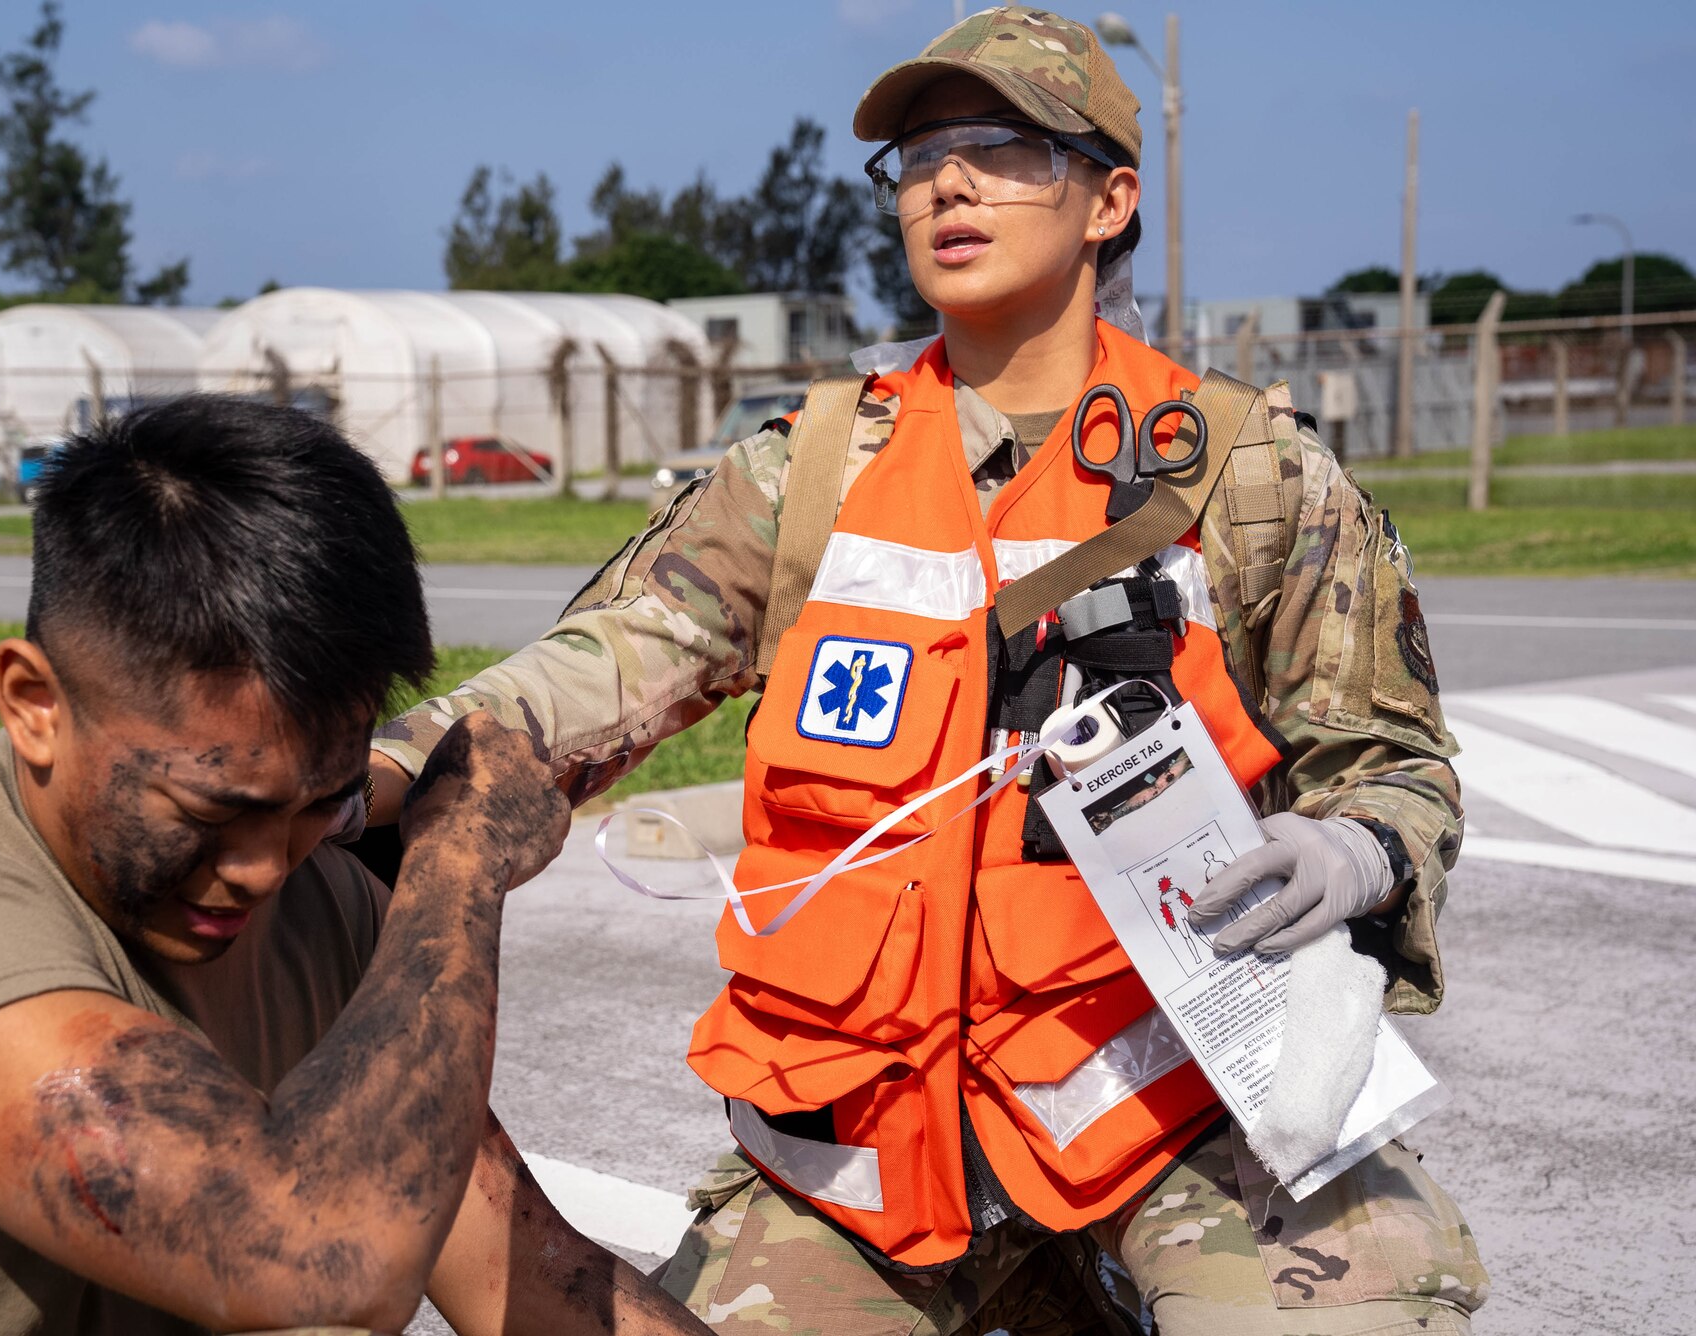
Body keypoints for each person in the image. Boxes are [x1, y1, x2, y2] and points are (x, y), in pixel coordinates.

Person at [364, 8, 1488, 1332]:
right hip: (866, 1166)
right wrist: (369, 774)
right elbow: (590, 671)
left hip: (1176, 1127)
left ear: (1110, 198)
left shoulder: (1246, 476)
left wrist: (1356, 854)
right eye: (917, 156)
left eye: (1000, 148)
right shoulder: (808, 473)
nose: (946, 182)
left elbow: (1391, 763)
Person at [0, 396, 707, 1336]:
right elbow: (325, 1254)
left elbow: (521, 1274)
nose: (266, 867)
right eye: (215, 808)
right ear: (32, 703)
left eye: (323, 799)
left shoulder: (321, 905)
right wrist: (458, 867)